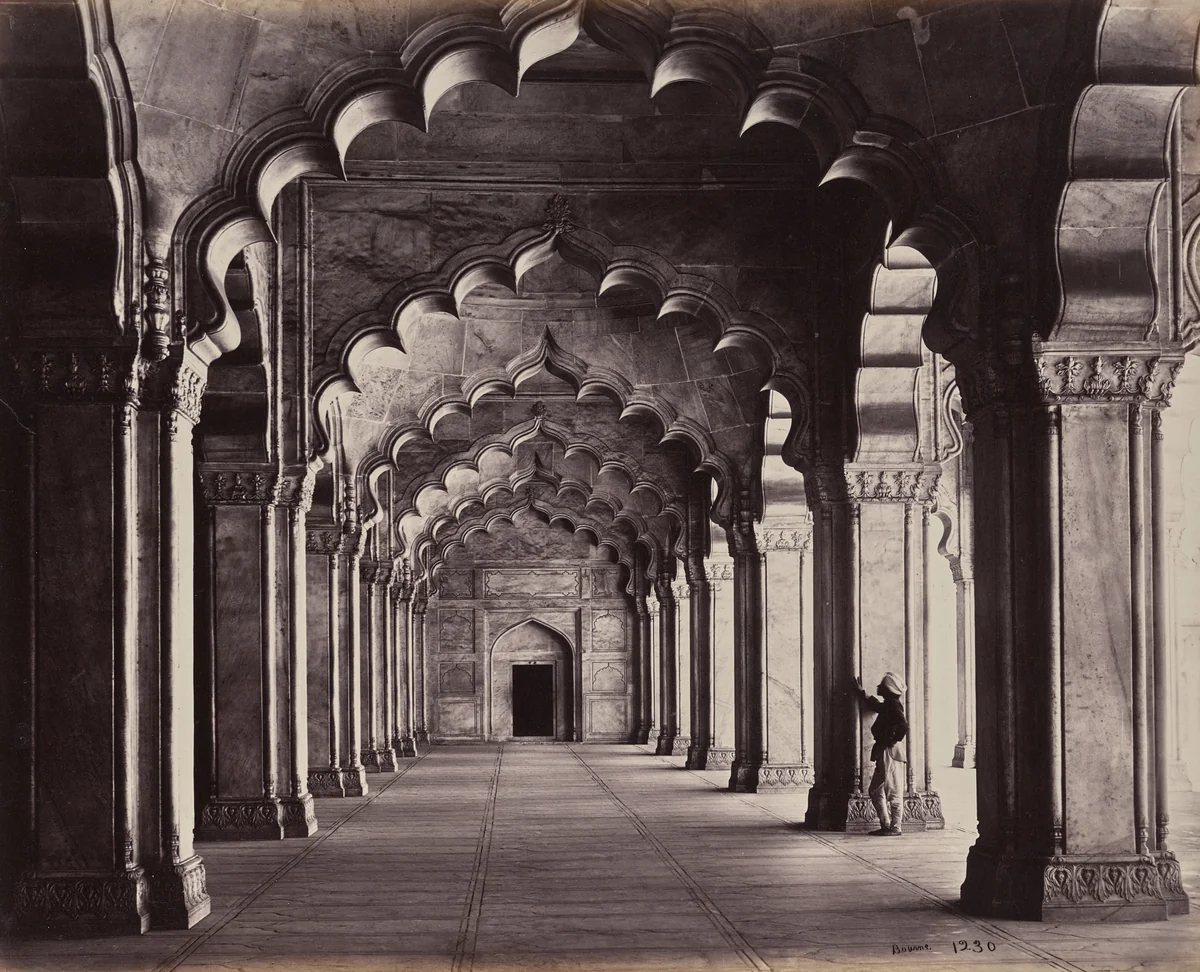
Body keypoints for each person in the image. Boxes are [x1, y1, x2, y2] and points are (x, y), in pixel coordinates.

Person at [853, 672, 908, 836]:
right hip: (885, 751)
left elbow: (903, 725)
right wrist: (862, 693)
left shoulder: (894, 706)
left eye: (881, 686)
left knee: (893, 791)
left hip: (890, 752)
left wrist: (892, 739)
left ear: (887, 690)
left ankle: (895, 828)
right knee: (875, 790)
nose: (878, 687)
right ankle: (886, 825)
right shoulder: (890, 704)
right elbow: (877, 706)